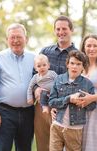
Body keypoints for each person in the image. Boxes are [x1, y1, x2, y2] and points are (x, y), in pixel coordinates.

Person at [0, 23, 35, 151]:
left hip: (28, 113)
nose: (16, 41)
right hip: (4, 112)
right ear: (7, 40)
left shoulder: (34, 59)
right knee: (1, 149)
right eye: (12, 37)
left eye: (19, 37)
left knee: (25, 148)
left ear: (26, 39)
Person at [33, 15, 77, 151]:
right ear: (54, 31)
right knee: (43, 144)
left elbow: (81, 82)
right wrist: (35, 90)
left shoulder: (78, 55)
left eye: (64, 28)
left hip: (66, 108)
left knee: (68, 146)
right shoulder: (45, 52)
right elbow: (33, 76)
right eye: (58, 29)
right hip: (43, 107)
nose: (61, 32)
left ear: (71, 30)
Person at [49, 50, 96, 151]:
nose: (75, 66)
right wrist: (68, 99)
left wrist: (83, 102)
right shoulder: (58, 79)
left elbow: (93, 106)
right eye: (72, 63)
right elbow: (51, 101)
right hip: (57, 125)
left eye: (78, 64)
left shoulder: (88, 84)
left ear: (83, 67)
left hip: (75, 129)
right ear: (67, 64)